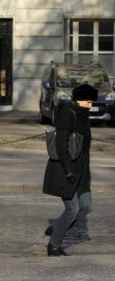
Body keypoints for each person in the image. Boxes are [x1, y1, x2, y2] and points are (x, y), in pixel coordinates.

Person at [43, 84, 97, 256]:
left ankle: (57, 226)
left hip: (81, 170)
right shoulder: (68, 114)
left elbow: (84, 149)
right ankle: (53, 246)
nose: (91, 105)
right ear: (79, 100)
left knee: (86, 206)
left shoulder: (83, 115)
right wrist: (69, 171)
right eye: (89, 101)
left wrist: (86, 175)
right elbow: (61, 146)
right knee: (73, 209)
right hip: (65, 170)